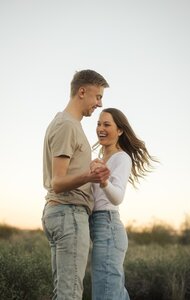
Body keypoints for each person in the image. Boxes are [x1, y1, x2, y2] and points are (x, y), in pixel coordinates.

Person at [41, 69, 110, 300]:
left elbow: (65, 174)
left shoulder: (67, 124)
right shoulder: (67, 125)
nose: (99, 103)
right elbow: (58, 182)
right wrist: (89, 177)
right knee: (70, 294)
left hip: (61, 213)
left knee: (63, 292)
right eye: (97, 96)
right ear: (82, 92)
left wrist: (88, 167)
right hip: (68, 213)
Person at [89, 108, 158, 300]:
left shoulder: (122, 158)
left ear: (119, 130)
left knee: (106, 294)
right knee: (113, 293)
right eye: (98, 124)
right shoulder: (98, 160)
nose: (100, 128)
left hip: (108, 227)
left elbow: (117, 197)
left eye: (106, 124)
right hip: (99, 228)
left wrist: (103, 180)